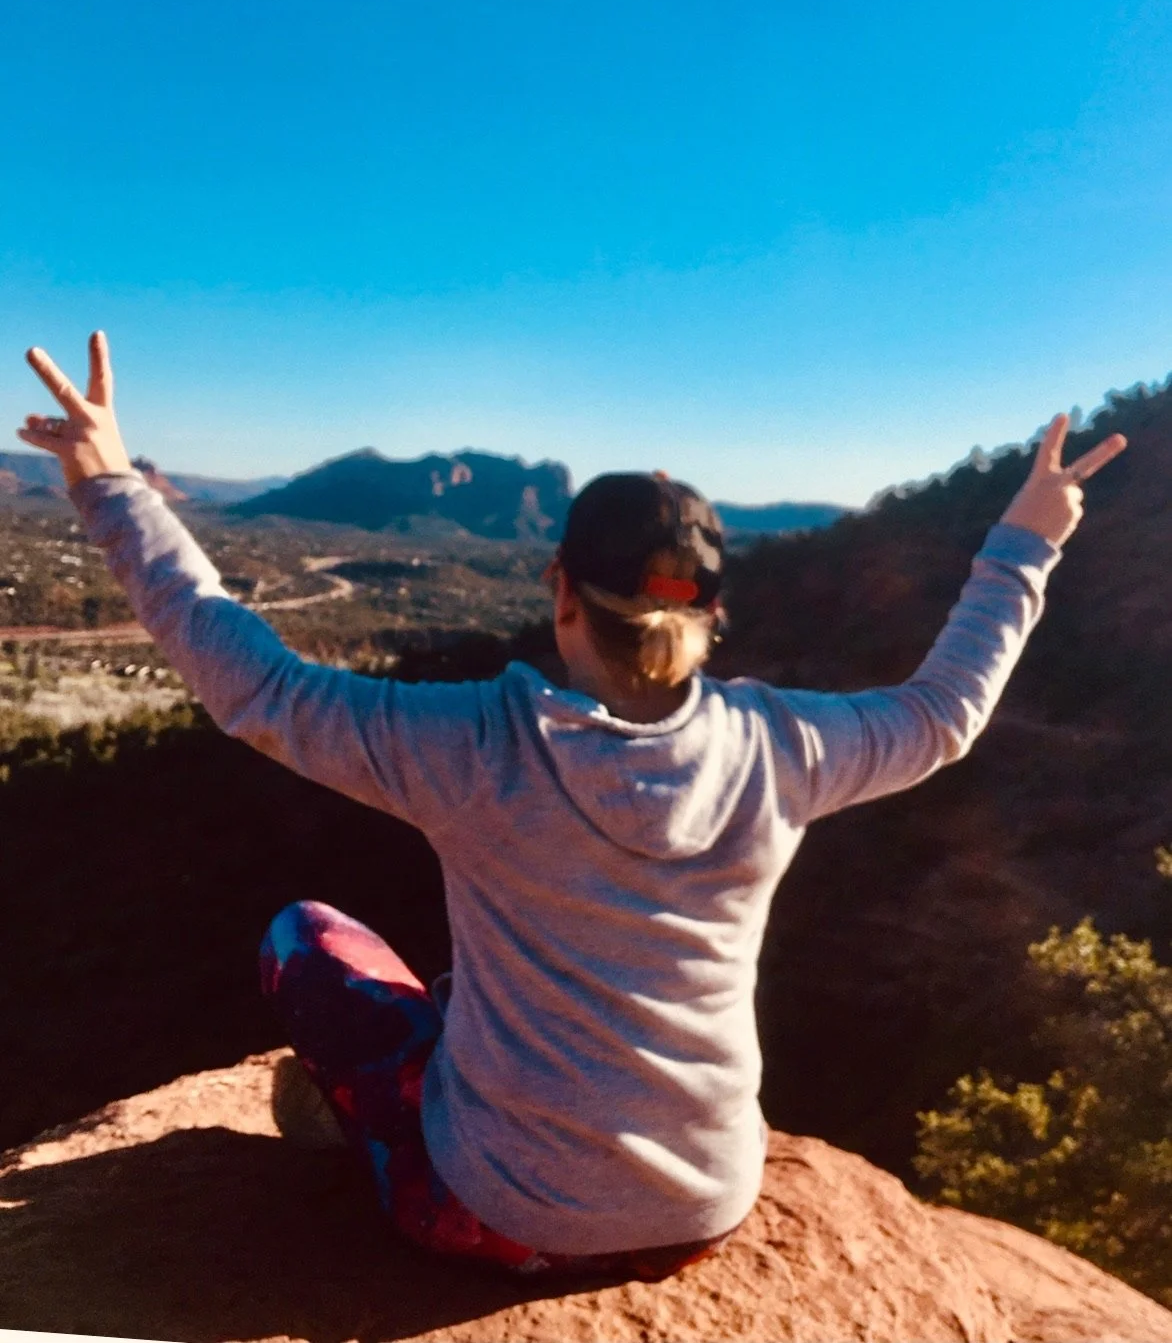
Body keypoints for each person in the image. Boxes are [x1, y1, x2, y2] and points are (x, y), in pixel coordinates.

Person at [20, 332, 1126, 1281]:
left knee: (305, 938)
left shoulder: (471, 746)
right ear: (705, 616)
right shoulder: (784, 748)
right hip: (703, 1212)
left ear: (557, 594)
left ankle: (386, 1133)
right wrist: (1026, 536)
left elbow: (255, 685)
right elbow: (942, 714)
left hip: (499, 1218)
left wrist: (113, 487)